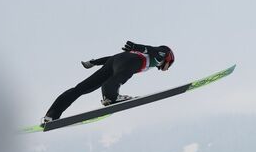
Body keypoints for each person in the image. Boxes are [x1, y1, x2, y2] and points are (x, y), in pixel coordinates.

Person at [42, 40, 175, 124]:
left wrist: (93, 62)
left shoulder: (151, 59)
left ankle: (51, 115)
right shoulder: (162, 54)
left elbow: (114, 58)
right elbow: (151, 49)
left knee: (81, 88)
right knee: (119, 77)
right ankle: (110, 97)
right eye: (170, 65)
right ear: (169, 59)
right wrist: (137, 46)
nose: (167, 68)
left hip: (115, 61)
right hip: (130, 61)